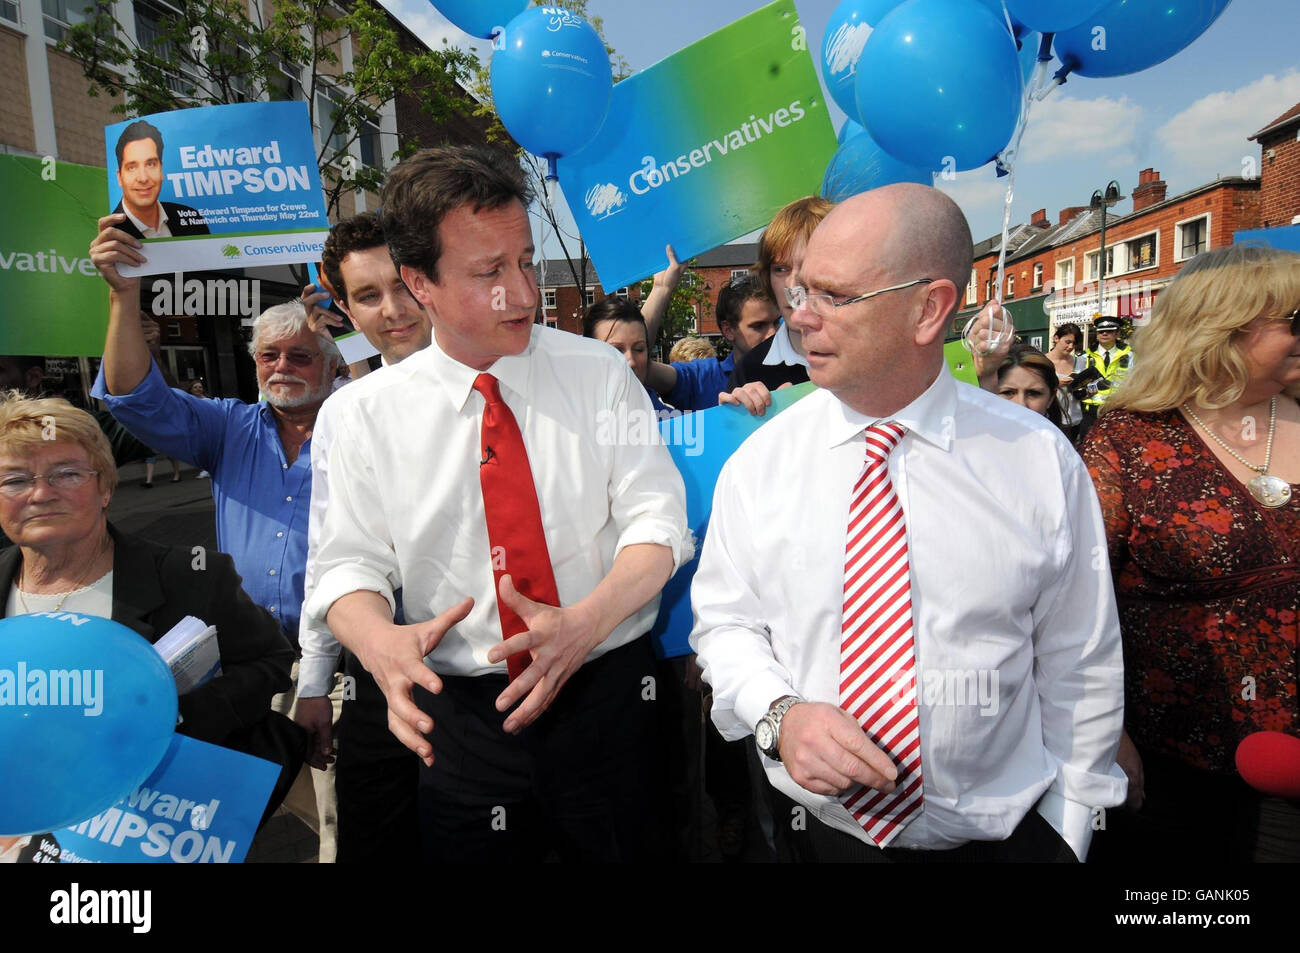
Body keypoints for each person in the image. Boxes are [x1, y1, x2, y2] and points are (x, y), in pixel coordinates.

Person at [690, 183, 1127, 863]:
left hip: (1006, 838)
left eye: (834, 296)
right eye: (799, 291)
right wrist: (781, 714)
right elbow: (725, 623)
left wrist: (1069, 827)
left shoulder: (1038, 460)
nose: (799, 318)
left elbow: (1080, 658)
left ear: (930, 308)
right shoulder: (763, 461)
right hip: (823, 839)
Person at [302, 144, 689, 862]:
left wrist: (585, 623)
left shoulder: (600, 374)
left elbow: (659, 523)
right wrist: (379, 645)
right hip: (462, 724)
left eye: (524, 260)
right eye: (488, 273)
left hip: (608, 696)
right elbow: (345, 567)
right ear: (420, 282)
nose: (522, 292)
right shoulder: (361, 416)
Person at [87, 215, 344, 861]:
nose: (282, 365)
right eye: (269, 355)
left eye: (301, 354)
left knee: (340, 824)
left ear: (333, 365)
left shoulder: (364, 421)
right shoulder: (229, 426)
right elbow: (135, 399)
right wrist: (123, 296)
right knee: (228, 828)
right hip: (246, 666)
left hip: (340, 669)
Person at [1081, 243, 1300, 863]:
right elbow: (1075, 597)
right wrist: (1105, 730)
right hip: (1180, 762)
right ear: (1225, 330)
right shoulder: (1130, 440)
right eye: (1294, 321)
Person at [0, 393, 298, 820]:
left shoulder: (191, 577)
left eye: (67, 474)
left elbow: (271, 661)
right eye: (15, 480)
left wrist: (169, 718)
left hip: (142, 824)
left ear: (104, 487)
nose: (41, 493)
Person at [295, 212, 433, 863]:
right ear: (345, 307)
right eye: (368, 296)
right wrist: (316, 679)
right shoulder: (345, 413)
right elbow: (333, 555)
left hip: (491, 677)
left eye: (401, 285)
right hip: (377, 679)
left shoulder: (508, 387)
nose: (393, 309)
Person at [643, 249, 779, 411]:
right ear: (728, 330)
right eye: (758, 326)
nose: (773, 333)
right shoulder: (702, 378)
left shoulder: (804, 367)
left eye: (777, 322)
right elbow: (633, 366)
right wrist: (661, 288)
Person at [727, 196, 831, 393]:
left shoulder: (870, 354)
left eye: (807, 265)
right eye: (781, 269)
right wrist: (740, 420)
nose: (793, 285)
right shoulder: (749, 370)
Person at [111, 121, 209, 240]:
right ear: (119, 177)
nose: (143, 178)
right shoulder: (111, 233)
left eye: (151, 164)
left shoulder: (190, 217)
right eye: (132, 167)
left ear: (161, 169)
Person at [584, 298, 674, 415]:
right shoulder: (566, 422)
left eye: (639, 349)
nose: (631, 361)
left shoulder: (674, 425)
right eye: (616, 350)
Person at [1076, 316, 1132, 443]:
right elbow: (1076, 386)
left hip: (1118, 410)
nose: (1105, 333)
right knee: (1087, 450)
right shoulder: (1084, 356)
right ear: (1096, 334)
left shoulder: (1130, 355)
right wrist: (1089, 389)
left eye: (1110, 330)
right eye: (1101, 331)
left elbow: (1136, 383)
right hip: (1090, 412)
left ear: (1117, 333)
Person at [996, 343, 1066, 433]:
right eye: (1008, 392)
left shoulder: (1059, 445)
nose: (1021, 405)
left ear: (1050, 398)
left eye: (1033, 393)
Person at [1046, 323, 1086, 441]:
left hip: (1074, 418)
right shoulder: (1043, 361)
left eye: (1074, 343)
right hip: (1050, 417)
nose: (1070, 346)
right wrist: (1055, 384)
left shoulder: (1080, 361)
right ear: (1056, 338)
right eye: (1067, 342)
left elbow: (1084, 390)